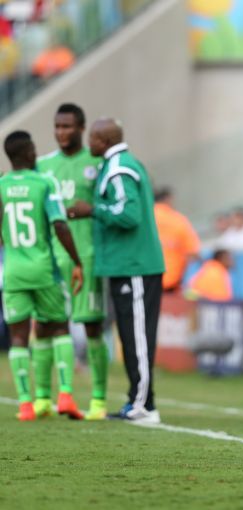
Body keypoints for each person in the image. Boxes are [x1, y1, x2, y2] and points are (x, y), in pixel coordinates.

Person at [67, 118, 165, 424]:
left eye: (93, 139)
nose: (89, 144)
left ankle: (143, 405)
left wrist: (92, 210)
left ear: (104, 140)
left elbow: (128, 214)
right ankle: (138, 401)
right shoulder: (119, 163)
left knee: (137, 338)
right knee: (131, 336)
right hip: (129, 265)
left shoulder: (119, 168)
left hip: (135, 265)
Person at [1, 131, 85, 421]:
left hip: (13, 271)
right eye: (33, 149)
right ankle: (65, 395)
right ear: (27, 153)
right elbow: (60, 225)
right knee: (59, 326)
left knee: (18, 336)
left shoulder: (1, 185)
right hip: (43, 269)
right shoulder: (44, 182)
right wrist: (77, 261)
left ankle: (26, 404)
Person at [33, 103, 109, 420]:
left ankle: (98, 399)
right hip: (51, 258)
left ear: (81, 128)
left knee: (92, 325)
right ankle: (43, 397)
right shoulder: (42, 165)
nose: (61, 132)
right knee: (45, 325)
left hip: (87, 256)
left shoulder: (97, 163)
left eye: (67, 126)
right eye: (57, 126)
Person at [154, 187, 200, 293]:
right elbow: (192, 253)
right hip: (172, 280)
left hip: (146, 277)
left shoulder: (146, 217)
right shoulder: (179, 220)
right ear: (168, 199)